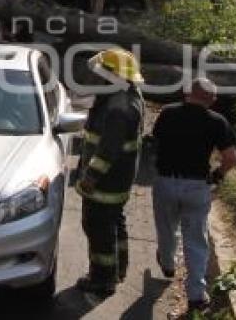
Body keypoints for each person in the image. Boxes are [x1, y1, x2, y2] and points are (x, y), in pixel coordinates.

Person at [151, 78, 236, 314]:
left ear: (188, 93)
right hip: (197, 186)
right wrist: (217, 175)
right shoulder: (217, 122)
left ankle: (168, 265)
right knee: (196, 240)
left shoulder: (168, 113)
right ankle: (196, 297)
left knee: (166, 228)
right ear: (212, 99)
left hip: (165, 182)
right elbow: (231, 158)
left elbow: (155, 140)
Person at [75, 48, 145, 298]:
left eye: (101, 73)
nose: (97, 77)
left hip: (106, 183)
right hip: (119, 179)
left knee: (98, 228)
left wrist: (89, 177)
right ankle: (118, 269)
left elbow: (107, 150)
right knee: (115, 223)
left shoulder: (118, 107)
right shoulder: (128, 93)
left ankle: (102, 279)